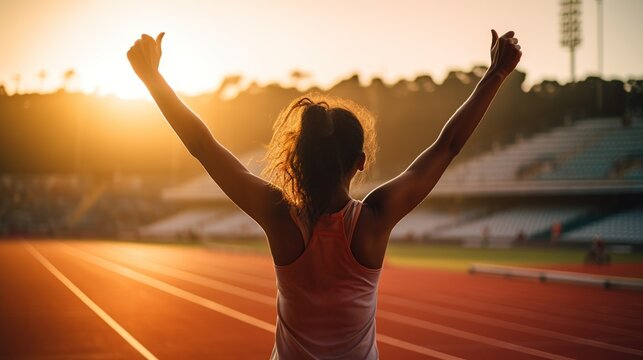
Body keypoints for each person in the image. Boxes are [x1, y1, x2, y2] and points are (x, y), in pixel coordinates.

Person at [127, 29, 522, 359]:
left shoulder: (280, 216)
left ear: (299, 159)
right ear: (360, 162)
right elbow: (446, 147)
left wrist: (152, 79)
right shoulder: (373, 219)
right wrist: (497, 73)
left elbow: (203, 146)